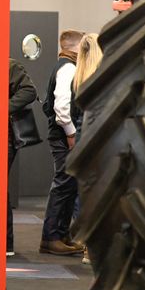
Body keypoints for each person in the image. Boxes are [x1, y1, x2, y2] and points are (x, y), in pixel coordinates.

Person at [39, 30, 86, 256]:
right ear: (76, 47)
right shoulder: (68, 68)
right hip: (63, 136)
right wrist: (71, 133)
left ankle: (61, 234)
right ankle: (52, 237)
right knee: (63, 186)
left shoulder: (65, 66)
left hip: (61, 134)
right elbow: (61, 107)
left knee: (68, 186)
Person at [71, 33, 102, 265]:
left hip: (83, 141)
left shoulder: (78, 79)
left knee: (85, 194)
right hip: (99, 141)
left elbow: (73, 116)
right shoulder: (103, 78)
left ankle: (86, 247)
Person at [6, 58, 38, 256]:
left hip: (4, 137)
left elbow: (29, 91)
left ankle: (5, 242)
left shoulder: (9, 65)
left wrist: (2, 108)